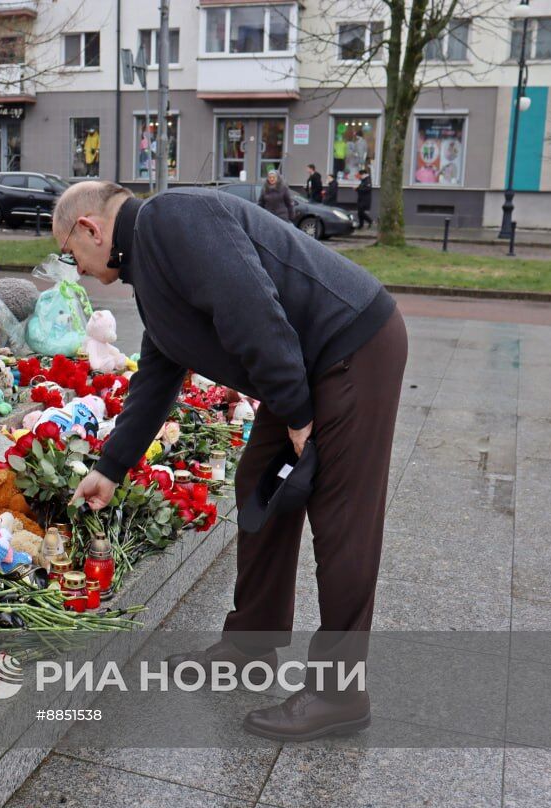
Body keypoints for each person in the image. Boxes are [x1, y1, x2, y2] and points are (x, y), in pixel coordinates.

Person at [56, 181, 406, 741]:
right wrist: (110, 468)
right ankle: (250, 644)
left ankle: (340, 694)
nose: (75, 269)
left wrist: (296, 415)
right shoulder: (151, 262)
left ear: (91, 229)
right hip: (302, 361)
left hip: (351, 347)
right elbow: (160, 372)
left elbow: (252, 309)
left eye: (70, 254)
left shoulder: (175, 220)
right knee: (258, 486)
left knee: (343, 521)